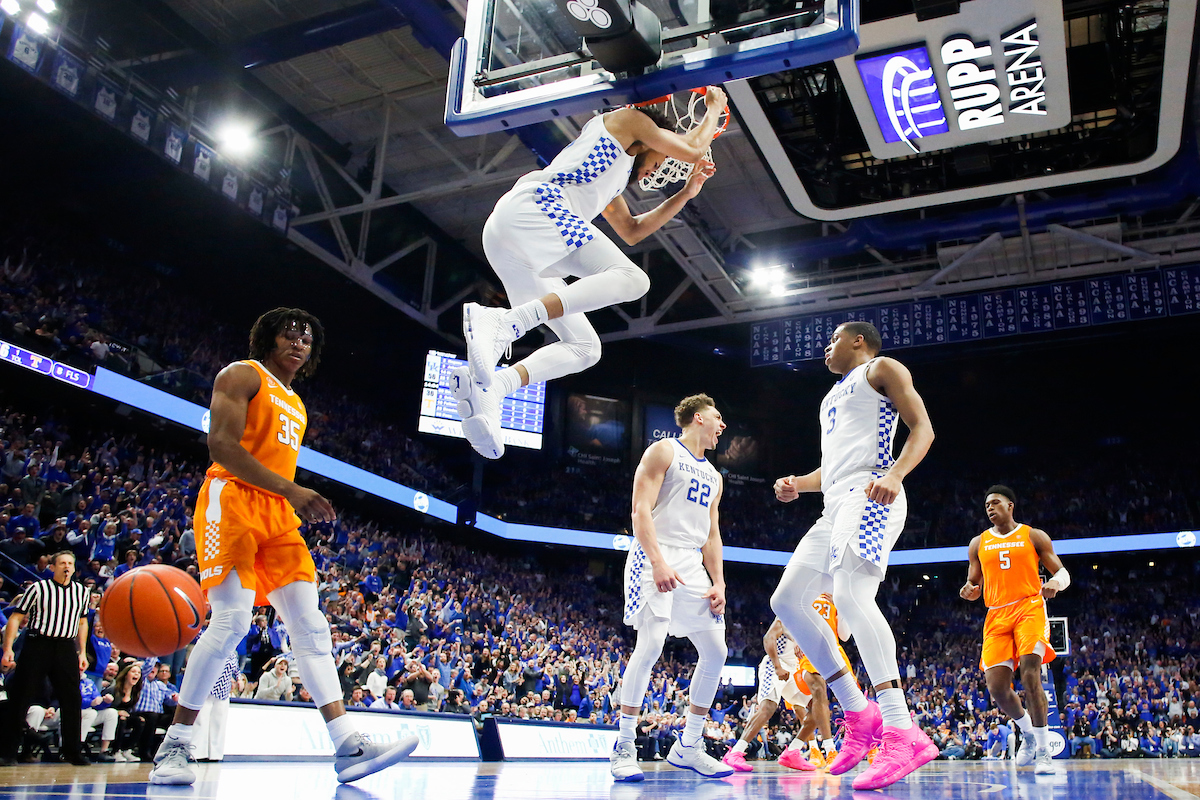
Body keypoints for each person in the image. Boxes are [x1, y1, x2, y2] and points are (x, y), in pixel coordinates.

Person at [149, 308, 418, 785]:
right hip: (230, 499)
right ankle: (175, 746)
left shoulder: (296, 404)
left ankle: (347, 744)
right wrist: (294, 491)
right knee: (231, 620)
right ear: (268, 339)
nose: (299, 342)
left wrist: (286, 497)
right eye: (290, 334)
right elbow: (222, 446)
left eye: (308, 338)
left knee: (311, 625)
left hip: (276, 515)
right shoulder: (241, 374)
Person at [452, 89, 726, 459]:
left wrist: (686, 194)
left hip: (515, 239)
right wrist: (714, 110)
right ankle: (507, 323)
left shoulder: (610, 177)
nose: (660, 168)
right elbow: (692, 150)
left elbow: (631, 230)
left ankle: (494, 390)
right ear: (655, 135)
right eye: (662, 156)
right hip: (537, 208)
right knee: (633, 279)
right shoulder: (627, 120)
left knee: (585, 348)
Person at [771, 321, 937, 791]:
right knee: (786, 602)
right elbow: (834, 467)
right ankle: (858, 711)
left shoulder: (881, 369)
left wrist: (898, 474)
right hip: (834, 504)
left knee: (850, 594)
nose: (825, 350)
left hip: (872, 492)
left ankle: (902, 731)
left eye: (832, 341)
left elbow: (923, 429)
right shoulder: (829, 398)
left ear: (857, 341)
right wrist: (798, 484)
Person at [610, 393, 731, 781]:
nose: (722, 425)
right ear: (698, 418)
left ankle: (689, 746)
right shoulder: (664, 450)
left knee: (716, 650)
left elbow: (712, 535)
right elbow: (640, 509)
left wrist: (719, 582)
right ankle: (624, 745)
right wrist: (658, 560)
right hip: (654, 554)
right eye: (718, 417)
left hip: (692, 564)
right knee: (651, 645)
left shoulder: (715, 476)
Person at [960, 485, 1068, 775]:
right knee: (996, 687)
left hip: (1029, 607)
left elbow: (1062, 572)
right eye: (986, 505)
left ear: (1010, 506)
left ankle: (1045, 751)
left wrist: (1056, 584)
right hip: (996, 614)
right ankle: (1028, 734)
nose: (990, 508)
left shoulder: (1033, 535)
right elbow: (973, 582)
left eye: (995, 503)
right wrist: (969, 590)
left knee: (1030, 673)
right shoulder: (977, 543)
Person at [0, 551, 91, 766]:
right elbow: (16, 617)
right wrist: (8, 648)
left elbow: (83, 622)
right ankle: (8, 752)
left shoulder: (81, 592)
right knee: (21, 697)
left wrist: (82, 651)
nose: (66, 566)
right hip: (38, 643)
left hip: (66, 646)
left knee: (72, 699)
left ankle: (72, 751)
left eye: (70, 563)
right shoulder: (38, 588)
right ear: (53, 567)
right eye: (62, 563)